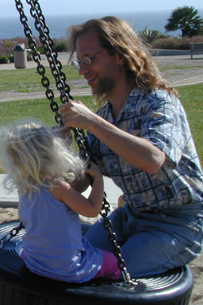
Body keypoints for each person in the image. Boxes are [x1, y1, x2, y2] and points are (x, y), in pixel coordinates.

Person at [59, 16, 203, 277]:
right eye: (80, 62)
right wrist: (49, 156)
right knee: (76, 265)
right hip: (130, 215)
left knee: (115, 279)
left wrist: (93, 122)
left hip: (178, 222)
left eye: (90, 59)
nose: (83, 70)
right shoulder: (105, 117)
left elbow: (152, 159)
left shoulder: (159, 103)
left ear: (120, 55)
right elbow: (81, 181)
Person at [0, 119, 120, 282]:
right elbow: (92, 210)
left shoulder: (25, 186)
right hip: (67, 267)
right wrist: (98, 180)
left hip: (34, 262)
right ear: (52, 151)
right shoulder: (58, 186)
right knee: (114, 262)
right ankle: (113, 287)